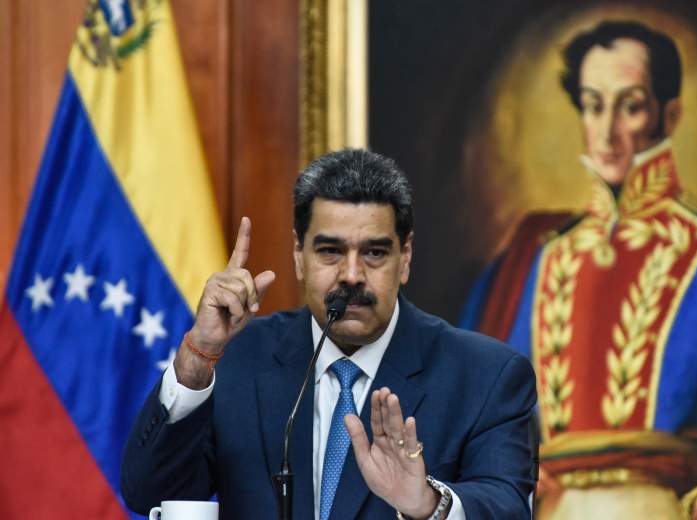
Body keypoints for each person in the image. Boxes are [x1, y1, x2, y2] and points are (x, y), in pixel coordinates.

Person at [460, 20, 697, 519]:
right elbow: (491, 402)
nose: (606, 131)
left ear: (668, 116)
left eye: (629, 106)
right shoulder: (546, 255)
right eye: (593, 105)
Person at [121, 149, 537, 519]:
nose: (352, 275)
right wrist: (199, 357)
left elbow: (508, 504)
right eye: (330, 251)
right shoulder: (239, 357)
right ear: (299, 257)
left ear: (404, 258)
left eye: (374, 252)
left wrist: (428, 505)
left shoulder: (487, 375)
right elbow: (151, 494)